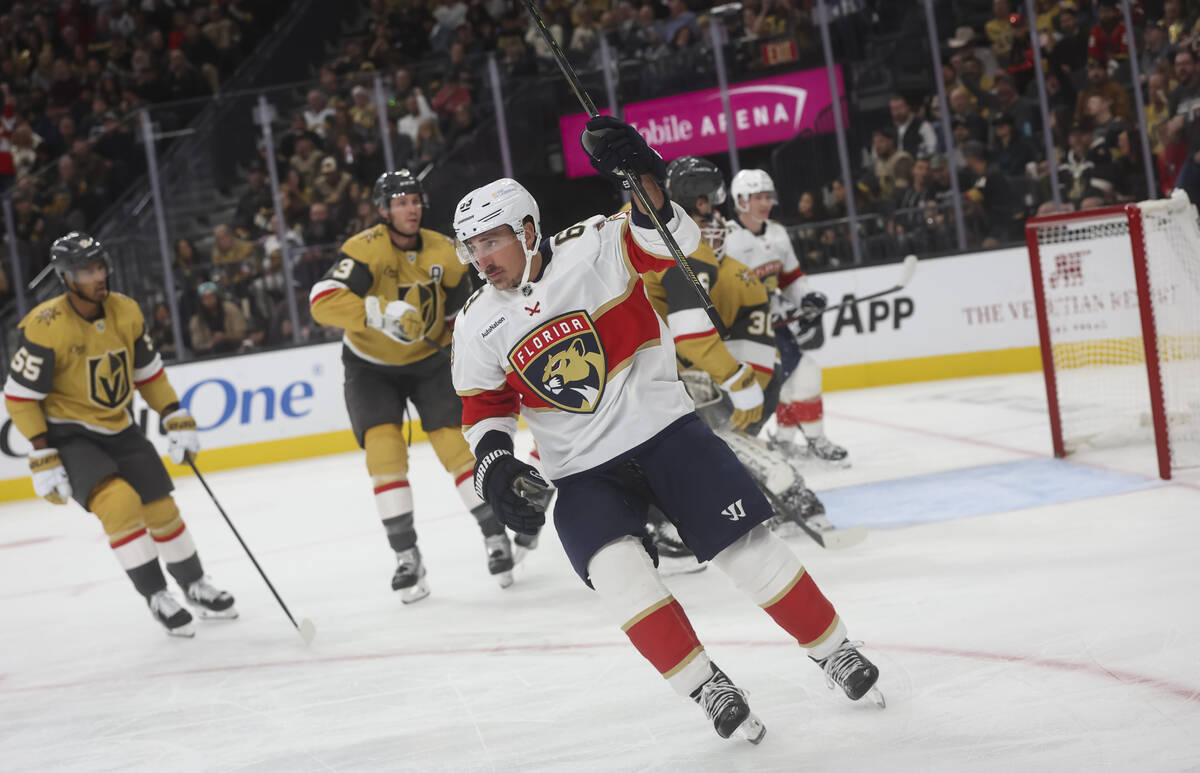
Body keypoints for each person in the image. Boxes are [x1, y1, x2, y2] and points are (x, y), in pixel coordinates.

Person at [450, 117, 883, 743]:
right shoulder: (475, 324)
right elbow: (483, 409)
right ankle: (709, 688)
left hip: (666, 433)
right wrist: (495, 465)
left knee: (746, 547)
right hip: (582, 474)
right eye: (470, 247)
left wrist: (644, 174)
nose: (480, 259)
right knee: (617, 574)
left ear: (527, 230)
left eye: (490, 241)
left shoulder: (596, 244)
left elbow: (672, 242)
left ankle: (834, 649)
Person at [3, 233, 235, 637]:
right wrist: (43, 455)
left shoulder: (125, 310)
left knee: (161, 508)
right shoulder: (45, 327)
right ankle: (157, 595)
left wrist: (174, 415)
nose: (98, 276)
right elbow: (20, 398)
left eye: (99, 266)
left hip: (120, 425)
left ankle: (195, 585)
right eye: (86, 270)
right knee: (119, 502)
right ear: (66, 277)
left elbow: (148, 373)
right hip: (70, 433)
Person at [309, 170, 525, 602]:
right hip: (371, 366)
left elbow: (468, 308)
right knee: (383, 452)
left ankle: (495, 536)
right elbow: (321, 300)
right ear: (384, 210)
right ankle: (407, 557)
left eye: (415, 200)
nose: (411, 208)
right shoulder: (363, 249)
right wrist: (378, 313)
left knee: (455, 448)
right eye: (401, 201)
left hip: (429, 361)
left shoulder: (444, 249)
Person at [644, 156, 851, 547]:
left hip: (709, 379)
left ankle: (770, 482)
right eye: (701, 216)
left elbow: (753, 368)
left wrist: (729, 392)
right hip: (656, 378)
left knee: (717, 431)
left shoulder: (742, 279)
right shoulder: (649, 258)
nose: (712, 227)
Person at [724, 168, 850, 464]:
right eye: (758, 197)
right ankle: (805, 441)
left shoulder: (777, 233)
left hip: (772, 324)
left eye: (768, 196)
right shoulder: (727, 237)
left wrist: (806, 297)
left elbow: (790, 277)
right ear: (741, 200)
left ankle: (784, 441)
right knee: (796, 375)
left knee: (796, 375)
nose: (765, 203)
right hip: (743, 331)